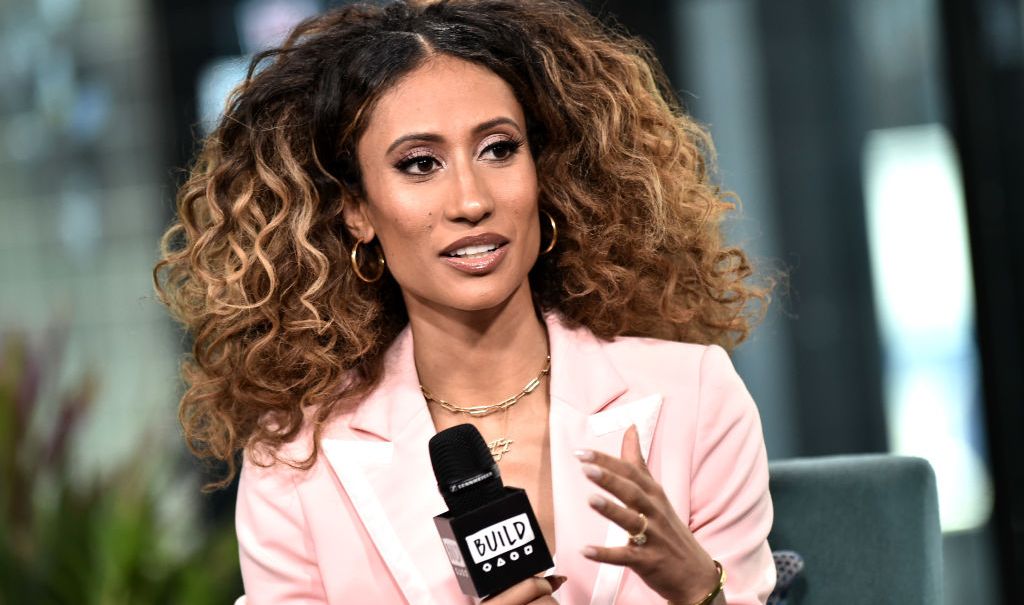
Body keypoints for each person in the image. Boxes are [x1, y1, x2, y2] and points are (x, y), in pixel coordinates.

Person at [154, 0, 776, 603]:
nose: (471, 199)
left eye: (499, 149)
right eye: (420, 164)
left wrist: (702, 591)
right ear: (357, 210)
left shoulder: (695, 397)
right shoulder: (294, 461)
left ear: (544, 173)